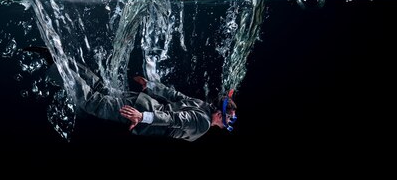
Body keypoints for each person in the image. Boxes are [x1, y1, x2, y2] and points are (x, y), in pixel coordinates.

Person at [23, 46, 237, 143]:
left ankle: (61, 59)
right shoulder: (202, 122)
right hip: (139, 111)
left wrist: (151, 86)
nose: (224, 117)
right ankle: (57, 66)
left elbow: (175, 96)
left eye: (227, 117)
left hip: (143, 101)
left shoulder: (203, 107)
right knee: (92, 102)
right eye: (226, 114)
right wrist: (141, 117)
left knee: (100, 90)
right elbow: (171, 118)